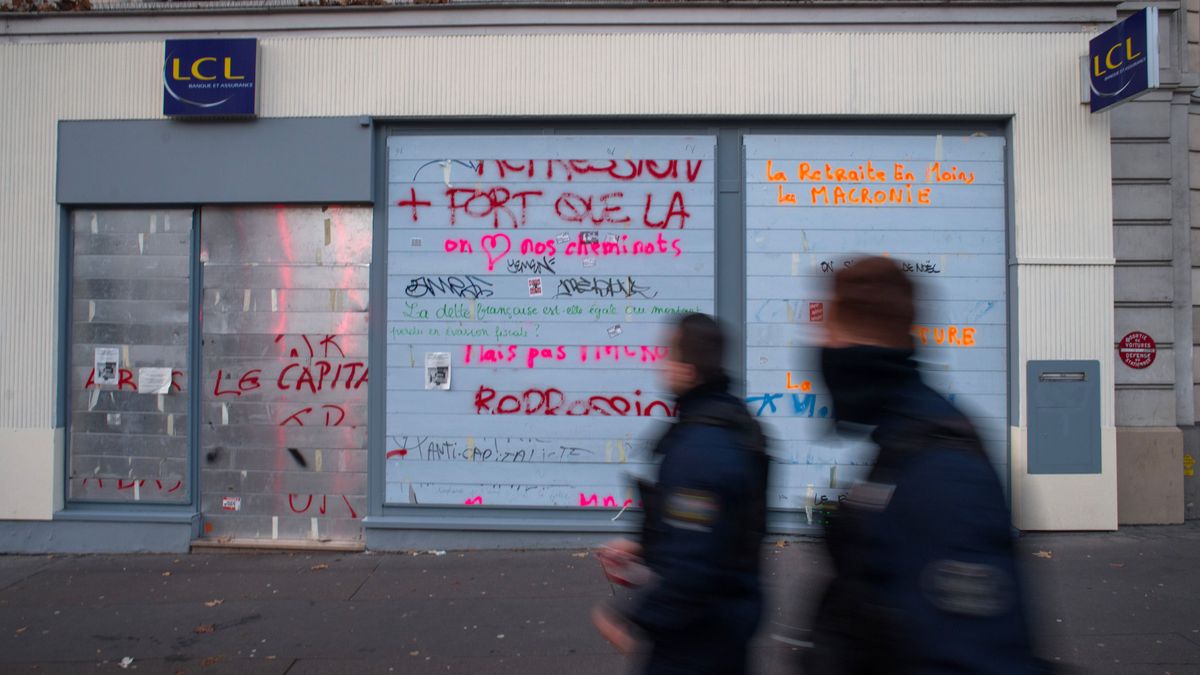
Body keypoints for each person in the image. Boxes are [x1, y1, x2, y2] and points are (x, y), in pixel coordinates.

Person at [805, 256, 1044, 674]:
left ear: (854, 339)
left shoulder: (945, 473)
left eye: (828, 329)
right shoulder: (899, 444)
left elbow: (974, 657)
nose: (820, 342)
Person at [592, 313, 770, 675]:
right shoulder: (735, 423)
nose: (661, 363)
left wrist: (633, 620)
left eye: (667, 354)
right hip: (727, 625)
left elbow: (693, 566)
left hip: (696, 640)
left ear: (687, 369)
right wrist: (647, 546)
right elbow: (721, 529)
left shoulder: (700, 451)